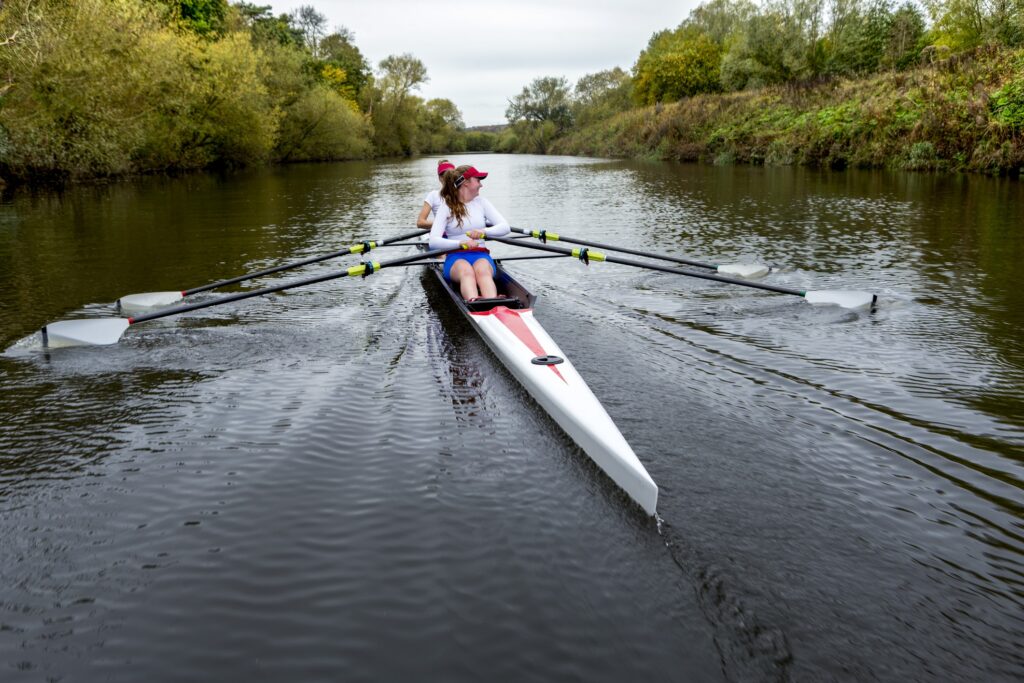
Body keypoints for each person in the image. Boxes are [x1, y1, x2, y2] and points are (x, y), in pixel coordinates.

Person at [429, 164, 510, 300]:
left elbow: (505, 227)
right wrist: (460, 243)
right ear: (466, 183)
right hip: (455, 258)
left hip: (481, 254)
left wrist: (484, 232)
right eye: (478, 180)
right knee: (467, 272)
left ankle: (493, 303)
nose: (481, 185)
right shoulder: (446, 207)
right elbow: (433, 241)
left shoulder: (482, 203)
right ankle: (474, 302)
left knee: (482, 271)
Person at [416, 160, 456, 229]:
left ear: (455, 176)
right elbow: (420, 222)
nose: (447, 178)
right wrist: (445, 222)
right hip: (442, 234)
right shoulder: (433, 195)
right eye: (444, 175)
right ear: (440, 178)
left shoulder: (463, 192)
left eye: (450, 175)